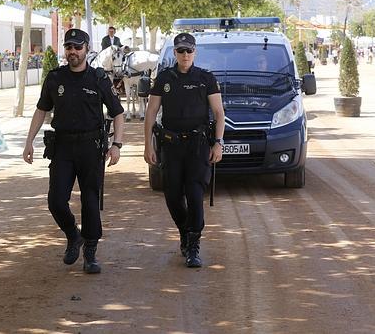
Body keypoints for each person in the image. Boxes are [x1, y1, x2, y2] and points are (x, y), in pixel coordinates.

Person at [23, 28, 125, 274]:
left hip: (91, 147)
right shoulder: (55, 77)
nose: (73, 52)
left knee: (90, 201)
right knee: (56, 201)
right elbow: (41, 110)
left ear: (87, 49)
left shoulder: (98, 78)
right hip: (63, 147)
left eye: (77, 47)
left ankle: (90, 252)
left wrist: (117, 145)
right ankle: (73, 235)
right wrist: (29, 142)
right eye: (69, 47)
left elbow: (118, 112)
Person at [143, 32, 225, 268]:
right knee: (172, 196)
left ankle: (193, 244)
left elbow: (219, 113)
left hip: (198, 146)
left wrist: (218, 143)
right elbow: (150, 113)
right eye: (181, 51)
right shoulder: (164, 78)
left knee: (195, 194)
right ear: (175, 53)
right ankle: (184, 230)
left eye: (189, 50)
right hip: (171, 145)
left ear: (195, 52)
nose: (185, 55)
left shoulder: (205, 78)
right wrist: (148, 144)